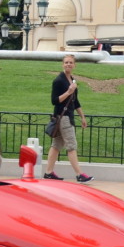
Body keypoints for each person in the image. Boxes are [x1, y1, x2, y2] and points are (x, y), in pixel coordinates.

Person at [44, 54, 92, 183]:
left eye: (71, 62)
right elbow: (54, 101)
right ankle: (79, 174)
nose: (68, 64)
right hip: (63, 117)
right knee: (71, 145)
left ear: (74, 65)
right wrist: (68, 92)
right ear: (62, 64)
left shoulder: (72, 80)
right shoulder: (59, 81)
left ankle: (48, 172)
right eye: (66, 62)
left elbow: (75, 102)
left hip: (67, 116)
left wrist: (82, 117)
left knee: (56, 145)